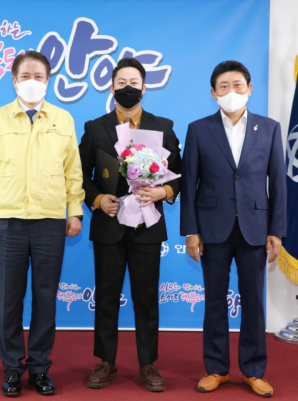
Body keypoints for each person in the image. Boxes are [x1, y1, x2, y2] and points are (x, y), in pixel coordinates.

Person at [0, 50, 85, 397]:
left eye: (39, 76)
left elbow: (73, 171)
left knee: (45, 299)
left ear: (48, 81)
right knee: (10, 300)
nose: (32, 82)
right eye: (25, 76)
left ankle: (38, 368)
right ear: (14, 80)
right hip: (9, 224)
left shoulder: (63, 119)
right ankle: (11, 368)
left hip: (51, 222)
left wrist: (75, 211)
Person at [180, 61, 286, 398]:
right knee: (214, 301)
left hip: (255, 228)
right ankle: (216, 368)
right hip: (212, 229)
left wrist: (276, 230)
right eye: (223, 86)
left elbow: (278, 183)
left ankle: (253, 371)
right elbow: (189, 184)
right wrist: (191, 231)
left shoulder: (269, 128)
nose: (231, 91)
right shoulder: (198, 129)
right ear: (213, 93)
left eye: (238, 85)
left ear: (249, 89)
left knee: (254, 302)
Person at [79, 57, 181, 392]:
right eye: (121, 83)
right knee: (107, 296)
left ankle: (148, 363)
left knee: (146, 298)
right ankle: (105, 362)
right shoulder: (95, 127)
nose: (127, 88)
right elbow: (80, 174)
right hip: (109, 224)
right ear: (111, 88)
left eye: (133, 83)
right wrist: (97, 199)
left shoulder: (163, 126)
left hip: (147, 226)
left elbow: (180, 174)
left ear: (144, 87)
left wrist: (163, 191)